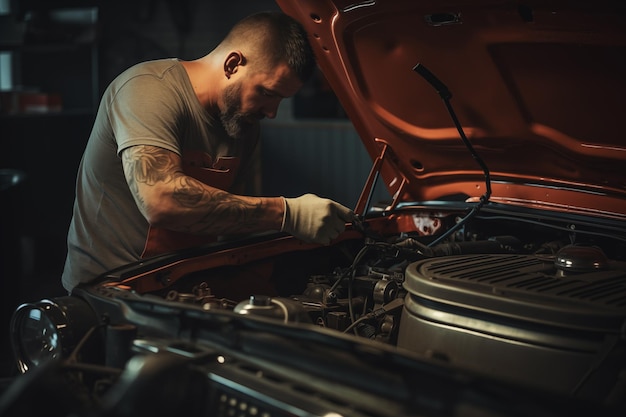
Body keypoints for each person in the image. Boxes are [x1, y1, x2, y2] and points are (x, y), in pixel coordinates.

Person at [61, 11, 355, 292]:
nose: (272, 112)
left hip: (185, 283)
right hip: (112, 288)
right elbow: (161, 200)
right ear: (233, 65)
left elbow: (241, 220)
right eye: (267, 93)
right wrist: (289, 213)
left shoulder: (244, 124)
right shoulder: (148, 89)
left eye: (281, 100)